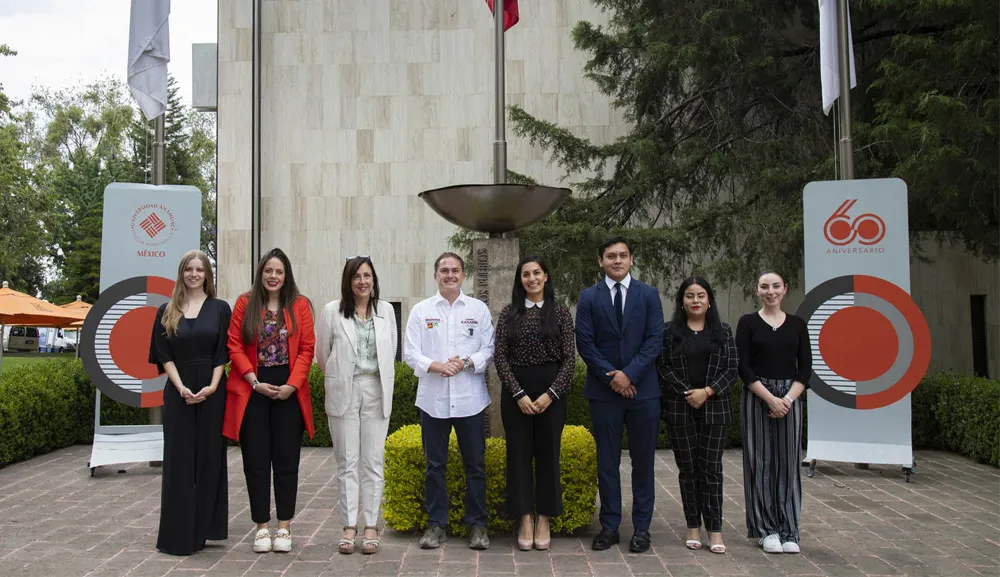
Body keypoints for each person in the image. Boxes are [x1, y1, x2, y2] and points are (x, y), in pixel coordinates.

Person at [223, 248, 316, 554]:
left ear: (286, 275)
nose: (273, 276)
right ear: (260, 273)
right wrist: (253, 381)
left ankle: (284, 527)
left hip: (288, 392)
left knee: (287, 462)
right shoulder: (245, 303)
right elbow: (234, 345)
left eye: (279, 271)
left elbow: (307, 348)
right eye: (268, 271)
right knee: (256, 462)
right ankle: (262, 527)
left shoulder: (300, 305)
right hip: (254, 390)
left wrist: (292, 385)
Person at [575, 236, 664, 553]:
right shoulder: (589, 297)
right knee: (607, 463)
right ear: (600, 261)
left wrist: (630, 374)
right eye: (610, 256)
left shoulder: (649, 294)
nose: (617, 260)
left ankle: (642, 528)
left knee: (643, 462)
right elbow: (585, 343)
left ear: (631, 259)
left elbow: (655, 339)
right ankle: (610, 526)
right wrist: (613, 377)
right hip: (604, 393)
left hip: (644, 392)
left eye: (622, 255)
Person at [403, 252, 495, 550]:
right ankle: (436, 525)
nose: (450, 275)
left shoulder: (478, 309)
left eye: (455, 270)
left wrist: (465, 362)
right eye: (444, 270)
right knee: (435, 466)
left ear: (463, 275)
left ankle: (477, 525)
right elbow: (410, 352)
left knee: (475, 466)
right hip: (434, 401)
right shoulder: (421, 310)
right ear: (435, 275)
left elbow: (489, 348)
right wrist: (436, 366)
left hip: (470, 400)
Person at [148, 250, 232, 555]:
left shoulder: (220, 309)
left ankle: (206, 529)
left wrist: (212, 387)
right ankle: (178, 534)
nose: (194, 274)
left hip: (213, 392)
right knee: (178, 461)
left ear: (207, 274)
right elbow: (163, 355)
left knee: (210, 459)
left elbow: (222, 353)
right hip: (178, 392)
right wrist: (181, 387)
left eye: (199, 269)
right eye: (189, 269)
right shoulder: (166, 310)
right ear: (181, 273)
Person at [316, 256, 398, 555]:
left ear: (373, 279)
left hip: (376, 388)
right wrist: (340, 378)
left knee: (373, 461)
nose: (362, 281)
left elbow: (391, 350)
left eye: (367, 276)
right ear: (348, 281)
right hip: (345, 390)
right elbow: (322, 355)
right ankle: (349, 525)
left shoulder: (386, 311)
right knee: (347, 461)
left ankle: (371, 525)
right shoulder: (332, 311)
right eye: (356, 276)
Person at [494, 255, 576, 551]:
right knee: (518, 456)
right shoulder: (509, 313)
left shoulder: (560, 313)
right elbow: (500, 356)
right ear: (520, 280)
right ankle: (524, 519)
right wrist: (519, 394)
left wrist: (550, 394)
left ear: (546, 276)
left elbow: (570, 359)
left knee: (548, 455)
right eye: (526, 274)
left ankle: (544, 518)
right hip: (516, 394)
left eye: (537, 273)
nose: (532, 279)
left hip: (551, 394)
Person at [657, 277, 737, 555]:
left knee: (711, 471)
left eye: (701, 295)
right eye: (690, 296)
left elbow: (732, 369)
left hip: (715, 411)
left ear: (709, 299)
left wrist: (708, 391)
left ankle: (715, 530)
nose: (695, 301)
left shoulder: (723, 331)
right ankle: (693, 526)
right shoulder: (669, 333)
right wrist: (688, 392)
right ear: (682, 301)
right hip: (680, 409)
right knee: (688, 471)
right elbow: (663, 367)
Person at [736, 269, 812, 554]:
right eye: (765, 286)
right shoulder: (748, 323)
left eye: (776, 286)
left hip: (790, 398)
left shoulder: (797, 324)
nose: (771, 291)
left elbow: (805, 369)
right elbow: (743, 366)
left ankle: (789, 530)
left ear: (785, 289)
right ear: (757, 290)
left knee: (789, 464)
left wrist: (786, 400)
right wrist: (770, 399)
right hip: (757, 396)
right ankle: (766, 529)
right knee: (760, 463)